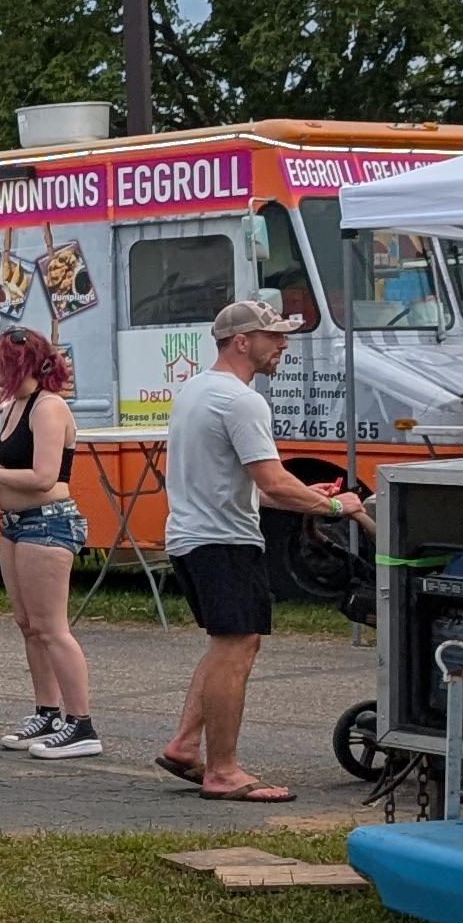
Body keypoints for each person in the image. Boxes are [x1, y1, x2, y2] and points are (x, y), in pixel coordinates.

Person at [154, 298, 366, 805]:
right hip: (222, 539)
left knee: (228, 643)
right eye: (275, 336)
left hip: (192, 536)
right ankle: (223, 771)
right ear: (242, 342)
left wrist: (318, 501)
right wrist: (336, 508)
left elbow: (258, 488)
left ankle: (185, 746)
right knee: (237, 649)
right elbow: (273, 479)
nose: (285, 344)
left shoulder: (195, 391)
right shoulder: (242, 400)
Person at [0, 328, 98, 758]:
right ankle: (47, 711)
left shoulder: (49, 408)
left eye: (0, 361)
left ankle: (82, 724)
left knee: (53, 627)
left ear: (19, 364)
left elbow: (43, 478)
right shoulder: (12, 407)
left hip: (48, 523)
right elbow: (12, 474)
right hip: (15, 524)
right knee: (28, 623)